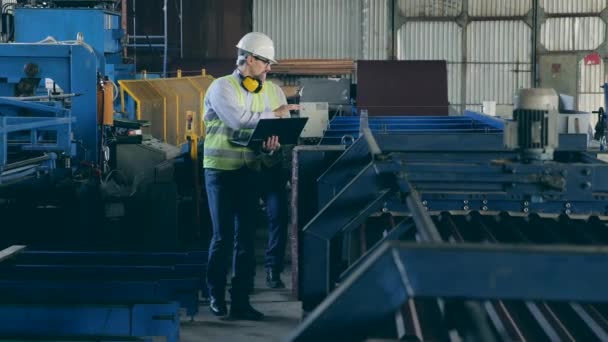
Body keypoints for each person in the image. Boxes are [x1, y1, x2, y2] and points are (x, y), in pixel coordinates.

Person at [202, 31, 298, 320]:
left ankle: (241, 301)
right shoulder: (222, 87)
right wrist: (276, 115)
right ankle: (215, 296)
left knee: (244, 240)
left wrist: (271, 148)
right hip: (220, 173)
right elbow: (238, 120)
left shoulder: (273, 92)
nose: (270, 68)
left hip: (250, 172)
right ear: (250, 59)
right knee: (222, 237)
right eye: (266, 62)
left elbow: (275, 133)